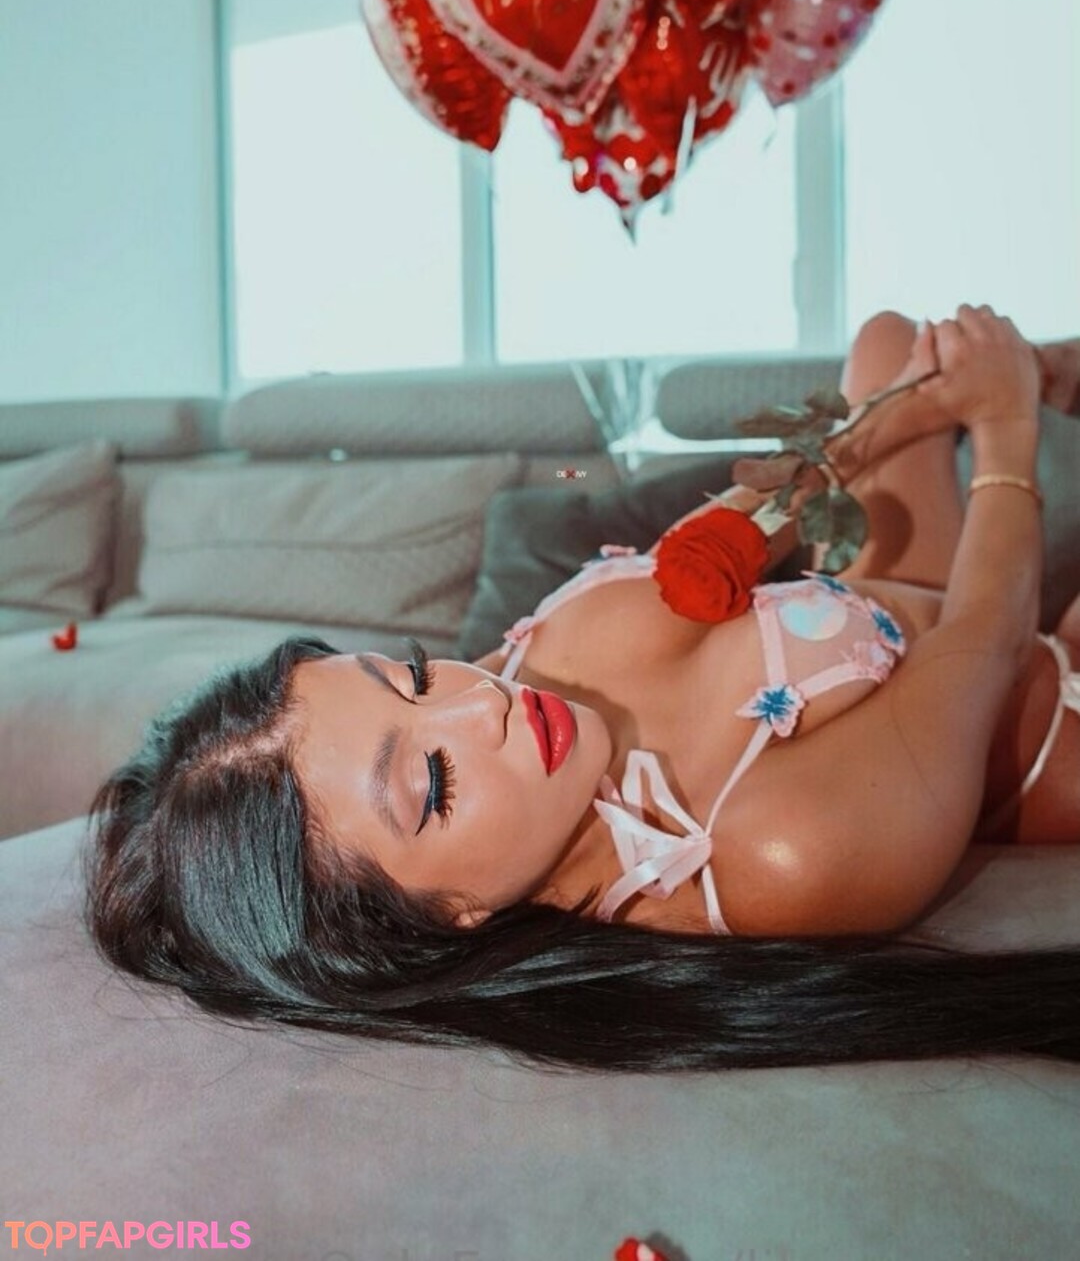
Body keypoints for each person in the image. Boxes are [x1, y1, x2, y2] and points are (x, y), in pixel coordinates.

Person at [83, 307, 1080, 1071]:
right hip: (1036, 697)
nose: (483, 702)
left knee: (891, 343)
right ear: (443, 919)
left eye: (414, 675)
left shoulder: (526, 682)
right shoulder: (781, 851)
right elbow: (988, 640)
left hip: (904, 604)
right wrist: (1002, 427)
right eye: (434, 782)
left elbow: (743, 525)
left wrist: (908, 403)